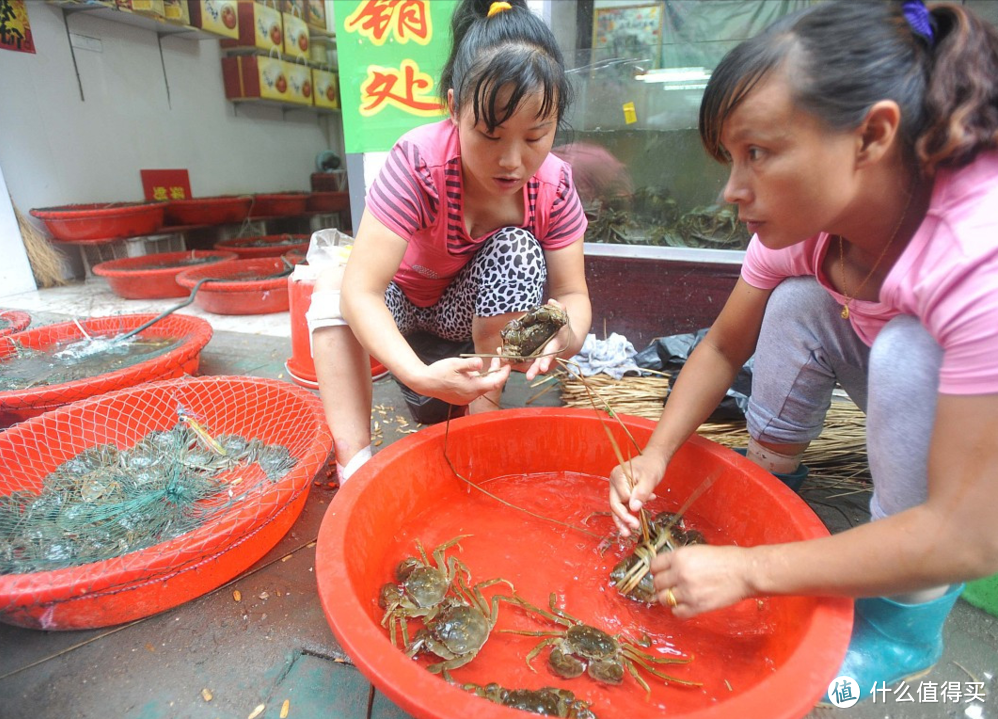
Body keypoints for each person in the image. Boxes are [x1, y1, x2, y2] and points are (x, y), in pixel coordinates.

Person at [608, 0, 998, 695]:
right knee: (796, 300)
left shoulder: (976, 254)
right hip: (944, 402)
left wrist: (753, 569)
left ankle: (905, 624)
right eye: (730, 158)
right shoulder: (807, 228)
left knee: (909, 354)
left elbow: (970, 535)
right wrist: (653, 453)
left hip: (978, 469)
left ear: (872, 135)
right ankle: (775, 484)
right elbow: (724, 347)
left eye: (757, 153)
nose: (731, 189)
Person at [309, 0, 591, 484]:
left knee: (518, 252)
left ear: (555, 119)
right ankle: (354, 464)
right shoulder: (419, 162)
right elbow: (363, 292)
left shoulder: (556, 185)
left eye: (535, 136)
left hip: (467, 319)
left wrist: (566, 334)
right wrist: (417, 374)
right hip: (401, 304)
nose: (511, 161)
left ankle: (479, 428)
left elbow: (573, 296)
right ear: (455, 106)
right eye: (489, 134)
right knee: (335, 283)